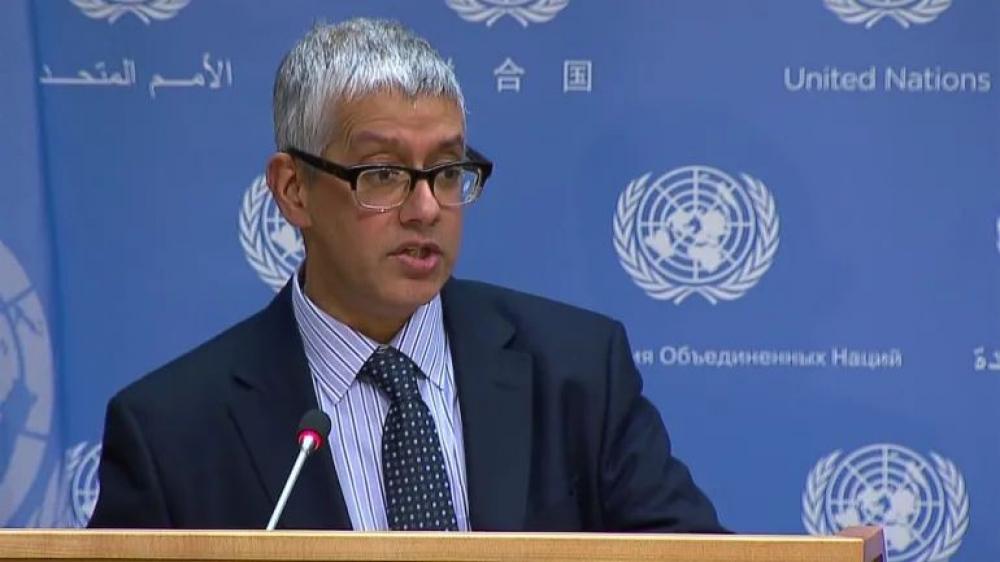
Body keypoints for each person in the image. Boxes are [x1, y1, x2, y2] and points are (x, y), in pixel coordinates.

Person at [88, 18, 724, 533]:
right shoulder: (172, 432)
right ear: (294, 190)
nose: (425, 209)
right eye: (384, 174)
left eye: (446, 171)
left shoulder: (578, 372)